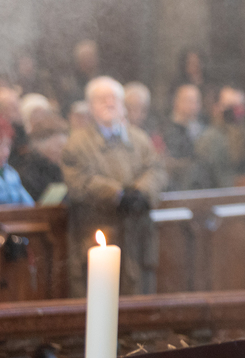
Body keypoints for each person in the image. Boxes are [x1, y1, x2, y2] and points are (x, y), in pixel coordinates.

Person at [61, 76, 167, 296]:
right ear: (90, 107)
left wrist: (141, 191)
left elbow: (156, 169)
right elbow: (80, 181)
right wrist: (117, 194)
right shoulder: (77, 144)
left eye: (114, 99)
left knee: (140, 303)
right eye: (101, 99)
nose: (109, 103)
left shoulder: (139, 139)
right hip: (99, 235)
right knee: (102, 301)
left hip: (138, 239)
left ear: (123, 105)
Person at [193, 86, 245, 188]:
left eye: (240, 106)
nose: (237, 111)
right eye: (231, 107)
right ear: (217, 108)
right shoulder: (208, 140)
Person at [14, 113, 69, 202]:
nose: (62, 152)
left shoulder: (60, 169)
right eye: (59, 146)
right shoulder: (28, 174)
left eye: (64, 147)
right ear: (41, 146)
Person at [160, 84, 204, 190]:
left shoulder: (203, 128)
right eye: (189, 101)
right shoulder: (166, 129)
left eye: (196, 102)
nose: (193, 106)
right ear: (176, 103)